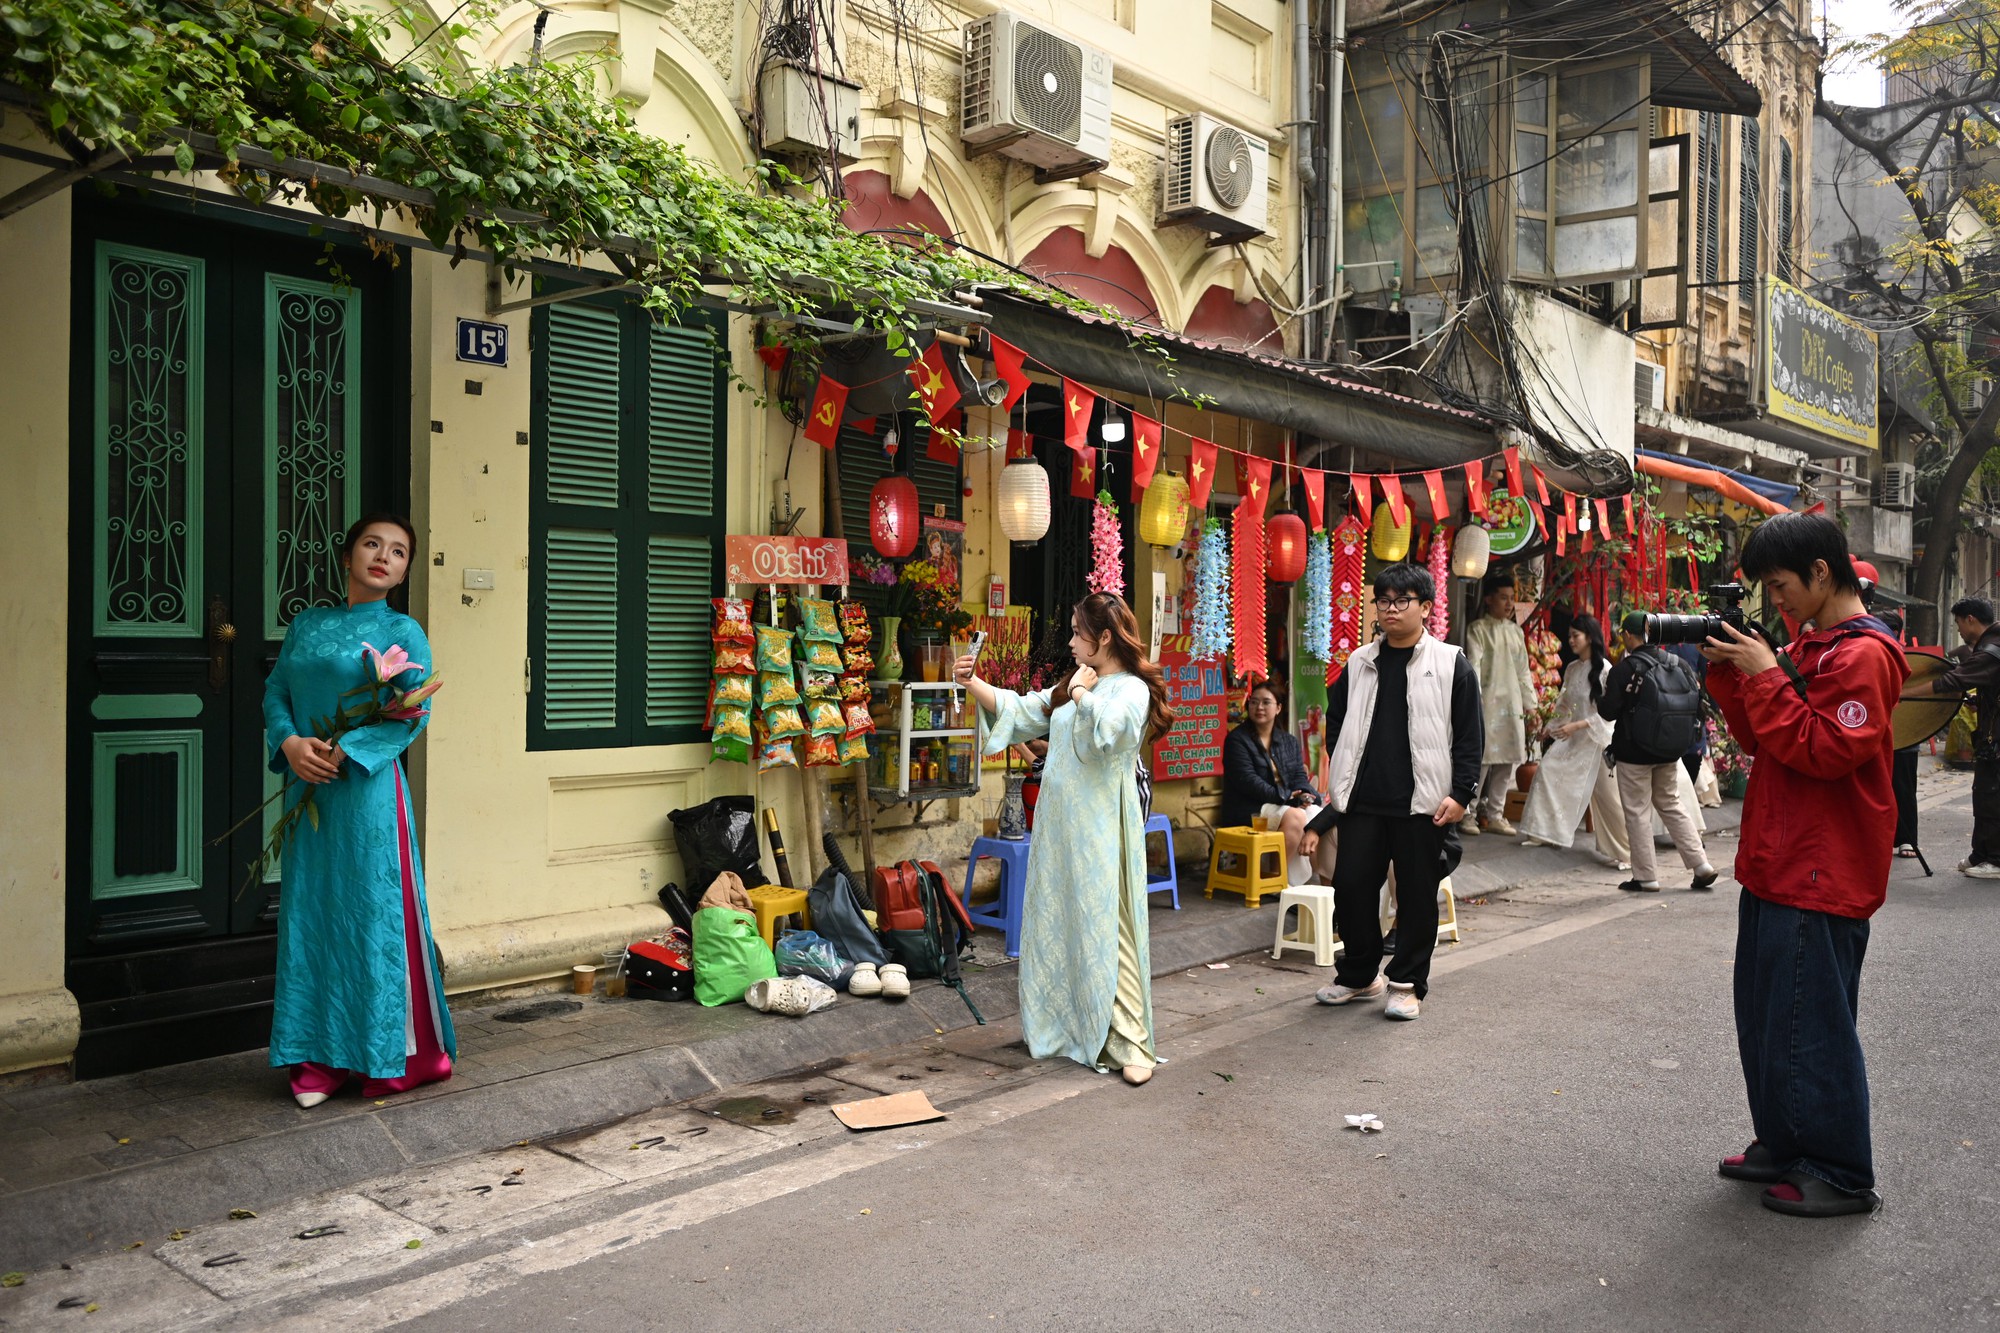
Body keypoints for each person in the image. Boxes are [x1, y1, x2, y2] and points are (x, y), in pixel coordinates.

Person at [1704, 512, 1906, 1217]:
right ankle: (1786, 1143)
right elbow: (1765, 739)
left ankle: (1842, 1170)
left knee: (1811, 1025)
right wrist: (1733, 673)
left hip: (1821, 871)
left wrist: (1765, 674)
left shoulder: (1863, 656)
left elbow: (1825, 748)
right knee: (1766, 1020)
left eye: (1781, 584)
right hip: (1776, 860)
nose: (1776, 600)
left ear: (1823, 572)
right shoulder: (1811, 646)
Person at [263, 514, 456, 1108]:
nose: (384, 556)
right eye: (372, 545)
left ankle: (381, 1053)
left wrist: (350, 749)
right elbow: (276, 692)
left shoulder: (403, 630)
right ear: (348, 556)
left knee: (370, 915)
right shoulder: (307, 624)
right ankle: (315, 1055)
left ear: (403, 572)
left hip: (367, 791)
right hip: (309, 787)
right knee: (312, 913)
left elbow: (412, 710)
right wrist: (291, 744)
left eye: (398, 552)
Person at [957, 593, 1175, 1085]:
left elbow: (1114, 732)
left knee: (1107, 926)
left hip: (1099, 829)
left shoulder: (1131, 690)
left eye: (1078, 633)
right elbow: (1020, 709)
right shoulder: (1074, 682)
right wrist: (972, 683)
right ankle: (1067, 1026)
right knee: (1061, 922)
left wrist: (1080, 694)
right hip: (1058, 829)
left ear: (1102, 637)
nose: (1072, 642)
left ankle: (1130, 1039)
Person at [1297, 563, 1482, 1022]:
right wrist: (1341, 775)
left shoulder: (1450, 663)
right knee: (1353, 889)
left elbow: (1469, 736)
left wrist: (1461, 793)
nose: (1392, 609)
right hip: (1363, 801)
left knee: (1417, 897)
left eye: (1403, 601)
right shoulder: (1359, 662)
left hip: (1424, 803)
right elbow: (1337, 721)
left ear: (1425, 606)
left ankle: (1406, 983)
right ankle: (1360, 976)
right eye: (1384, 601)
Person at [1598, 613, 1718, 893]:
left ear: (1628, 635)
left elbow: (1607, 712)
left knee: (1638, 812)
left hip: (1633, 752)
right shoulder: (1678, 664)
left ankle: (1646, 877)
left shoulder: (1625, 669)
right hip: (1669, 750)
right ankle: (1701, 865)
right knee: (1671, 804)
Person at [1516, 616, 1626, 867]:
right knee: (1547, 770)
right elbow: (1564, 704)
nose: (1571, 640)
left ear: (1590, 636)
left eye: (1575, 635)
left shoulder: (1606, 669)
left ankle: (1625, 851)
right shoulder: (1573, 668)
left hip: (1596, 740)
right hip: (1573, 738)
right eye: (1570, 636)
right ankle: (1545, 832)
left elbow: (1608, 715)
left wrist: (1577, 726)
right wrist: (1551, 726)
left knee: (1610, 801)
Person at [1905, 597, 2000, 875]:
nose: (1958, 628)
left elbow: (1952, 680)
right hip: (1990, 737)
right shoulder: (1990, 647)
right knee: (1983, 795)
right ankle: (1980, 853)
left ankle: (1995, 859)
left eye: (1958, 621)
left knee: (1992, 797)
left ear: (1970, 618)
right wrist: (1978, 700)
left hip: (1997, 740)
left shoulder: (1991, 652)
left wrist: (1904, 694)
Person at [1221, 682, 1326, 884]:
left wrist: (1306, 795)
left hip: (1281, 803)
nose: (1259, 707)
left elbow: (1298, 776)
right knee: (1295, 816)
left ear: (1278, 708)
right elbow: (1248, 782)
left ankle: (1322, 881)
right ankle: (1279, 881)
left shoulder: (1288, 741)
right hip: (1248, 808)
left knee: (1316, 815)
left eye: (1266, 702)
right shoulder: (1237, 740)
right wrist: (1287, 797)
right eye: (1254, 702)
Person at [1463, 576, 1535, 837]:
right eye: (1503, 597)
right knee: (1481, 762)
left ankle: (1495, 814)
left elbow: (1523, 671)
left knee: (1506, 763)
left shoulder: (1515, 632)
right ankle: (1467, 813)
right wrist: (1473, 702)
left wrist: (1531, 707)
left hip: (1512, 704)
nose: (1509, 603)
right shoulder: (1478, 629)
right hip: (1486, 704)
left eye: (1511, 598)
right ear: (1489, 599)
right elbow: (1473, 666)